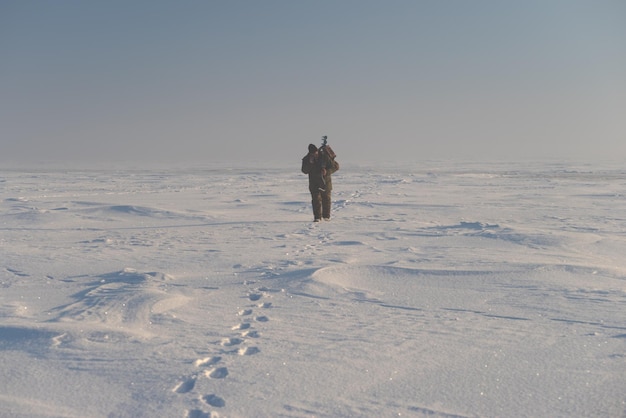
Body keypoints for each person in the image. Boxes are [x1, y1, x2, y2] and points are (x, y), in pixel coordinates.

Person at [301, 143, 339, 222]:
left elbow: (335, 167)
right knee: (316, 200)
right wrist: (310, 163)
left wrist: (327, 172)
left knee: (326, 199)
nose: (315, 154)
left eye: (316, 152)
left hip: (326, 182)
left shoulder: (325, 156)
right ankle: (317, 217)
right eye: (313, 153)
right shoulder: (306, 159)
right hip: (314, 183)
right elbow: (304, 171)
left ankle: (326, 217)